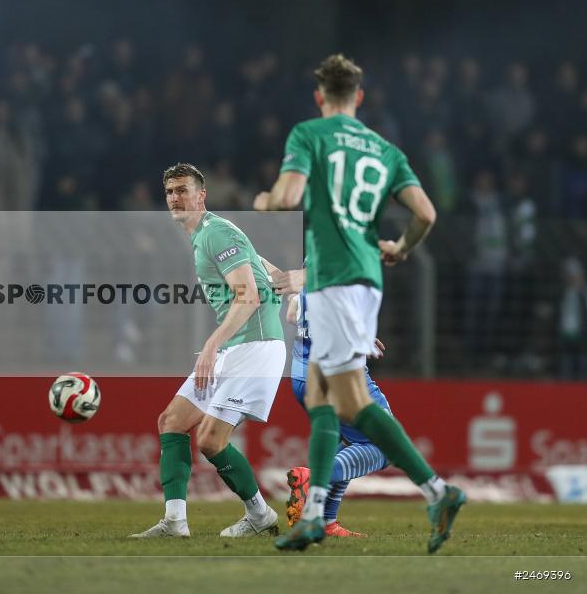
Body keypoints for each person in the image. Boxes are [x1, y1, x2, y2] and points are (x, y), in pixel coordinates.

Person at [254, 54, 464, 553]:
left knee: (348, 400)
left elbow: (287, 198)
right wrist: (402, 247)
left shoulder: (309, 134)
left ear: (319, 97)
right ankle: (316, 516)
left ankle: (438, 490)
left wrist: (264, 201)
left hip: (331, 279)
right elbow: (426, 214)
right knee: (328, 395)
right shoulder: (385, 150)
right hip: (367, 280)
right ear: (360, 98)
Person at [130, 162, 286, 538]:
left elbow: (247, 296)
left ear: (201, 196)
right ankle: (174, 521)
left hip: (254, 346)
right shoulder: (209, 234)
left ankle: (260, 515)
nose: (175, 198)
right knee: (172, 422)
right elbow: (275, 279)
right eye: (169, 192)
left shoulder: (216, 233)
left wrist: (211, 347)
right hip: (236, 345)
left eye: (183, 190)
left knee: (211, 440)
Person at [281, 269, 391, 538]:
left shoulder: (313, 260)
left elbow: (292, 314)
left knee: (352, 443)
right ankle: (312, 478)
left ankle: (327, 522)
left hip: (303, 374)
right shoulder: (342, 255)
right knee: (385, 444)